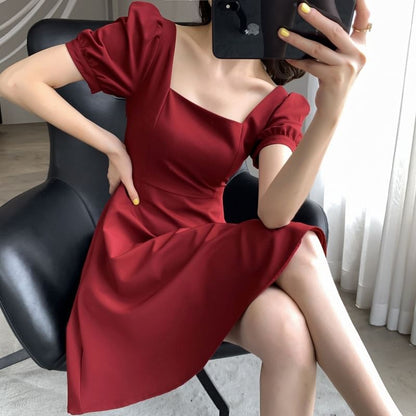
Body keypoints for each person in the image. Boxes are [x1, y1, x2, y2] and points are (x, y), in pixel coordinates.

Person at [0, 1, 402, 415]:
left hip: (205, 260)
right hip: (134, 258)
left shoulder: (275, 103)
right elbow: (16, 81)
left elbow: (274, 215)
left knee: (288, 330)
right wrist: (110, 144)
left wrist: (331, 110)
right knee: (302, 248)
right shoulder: (151, 40)